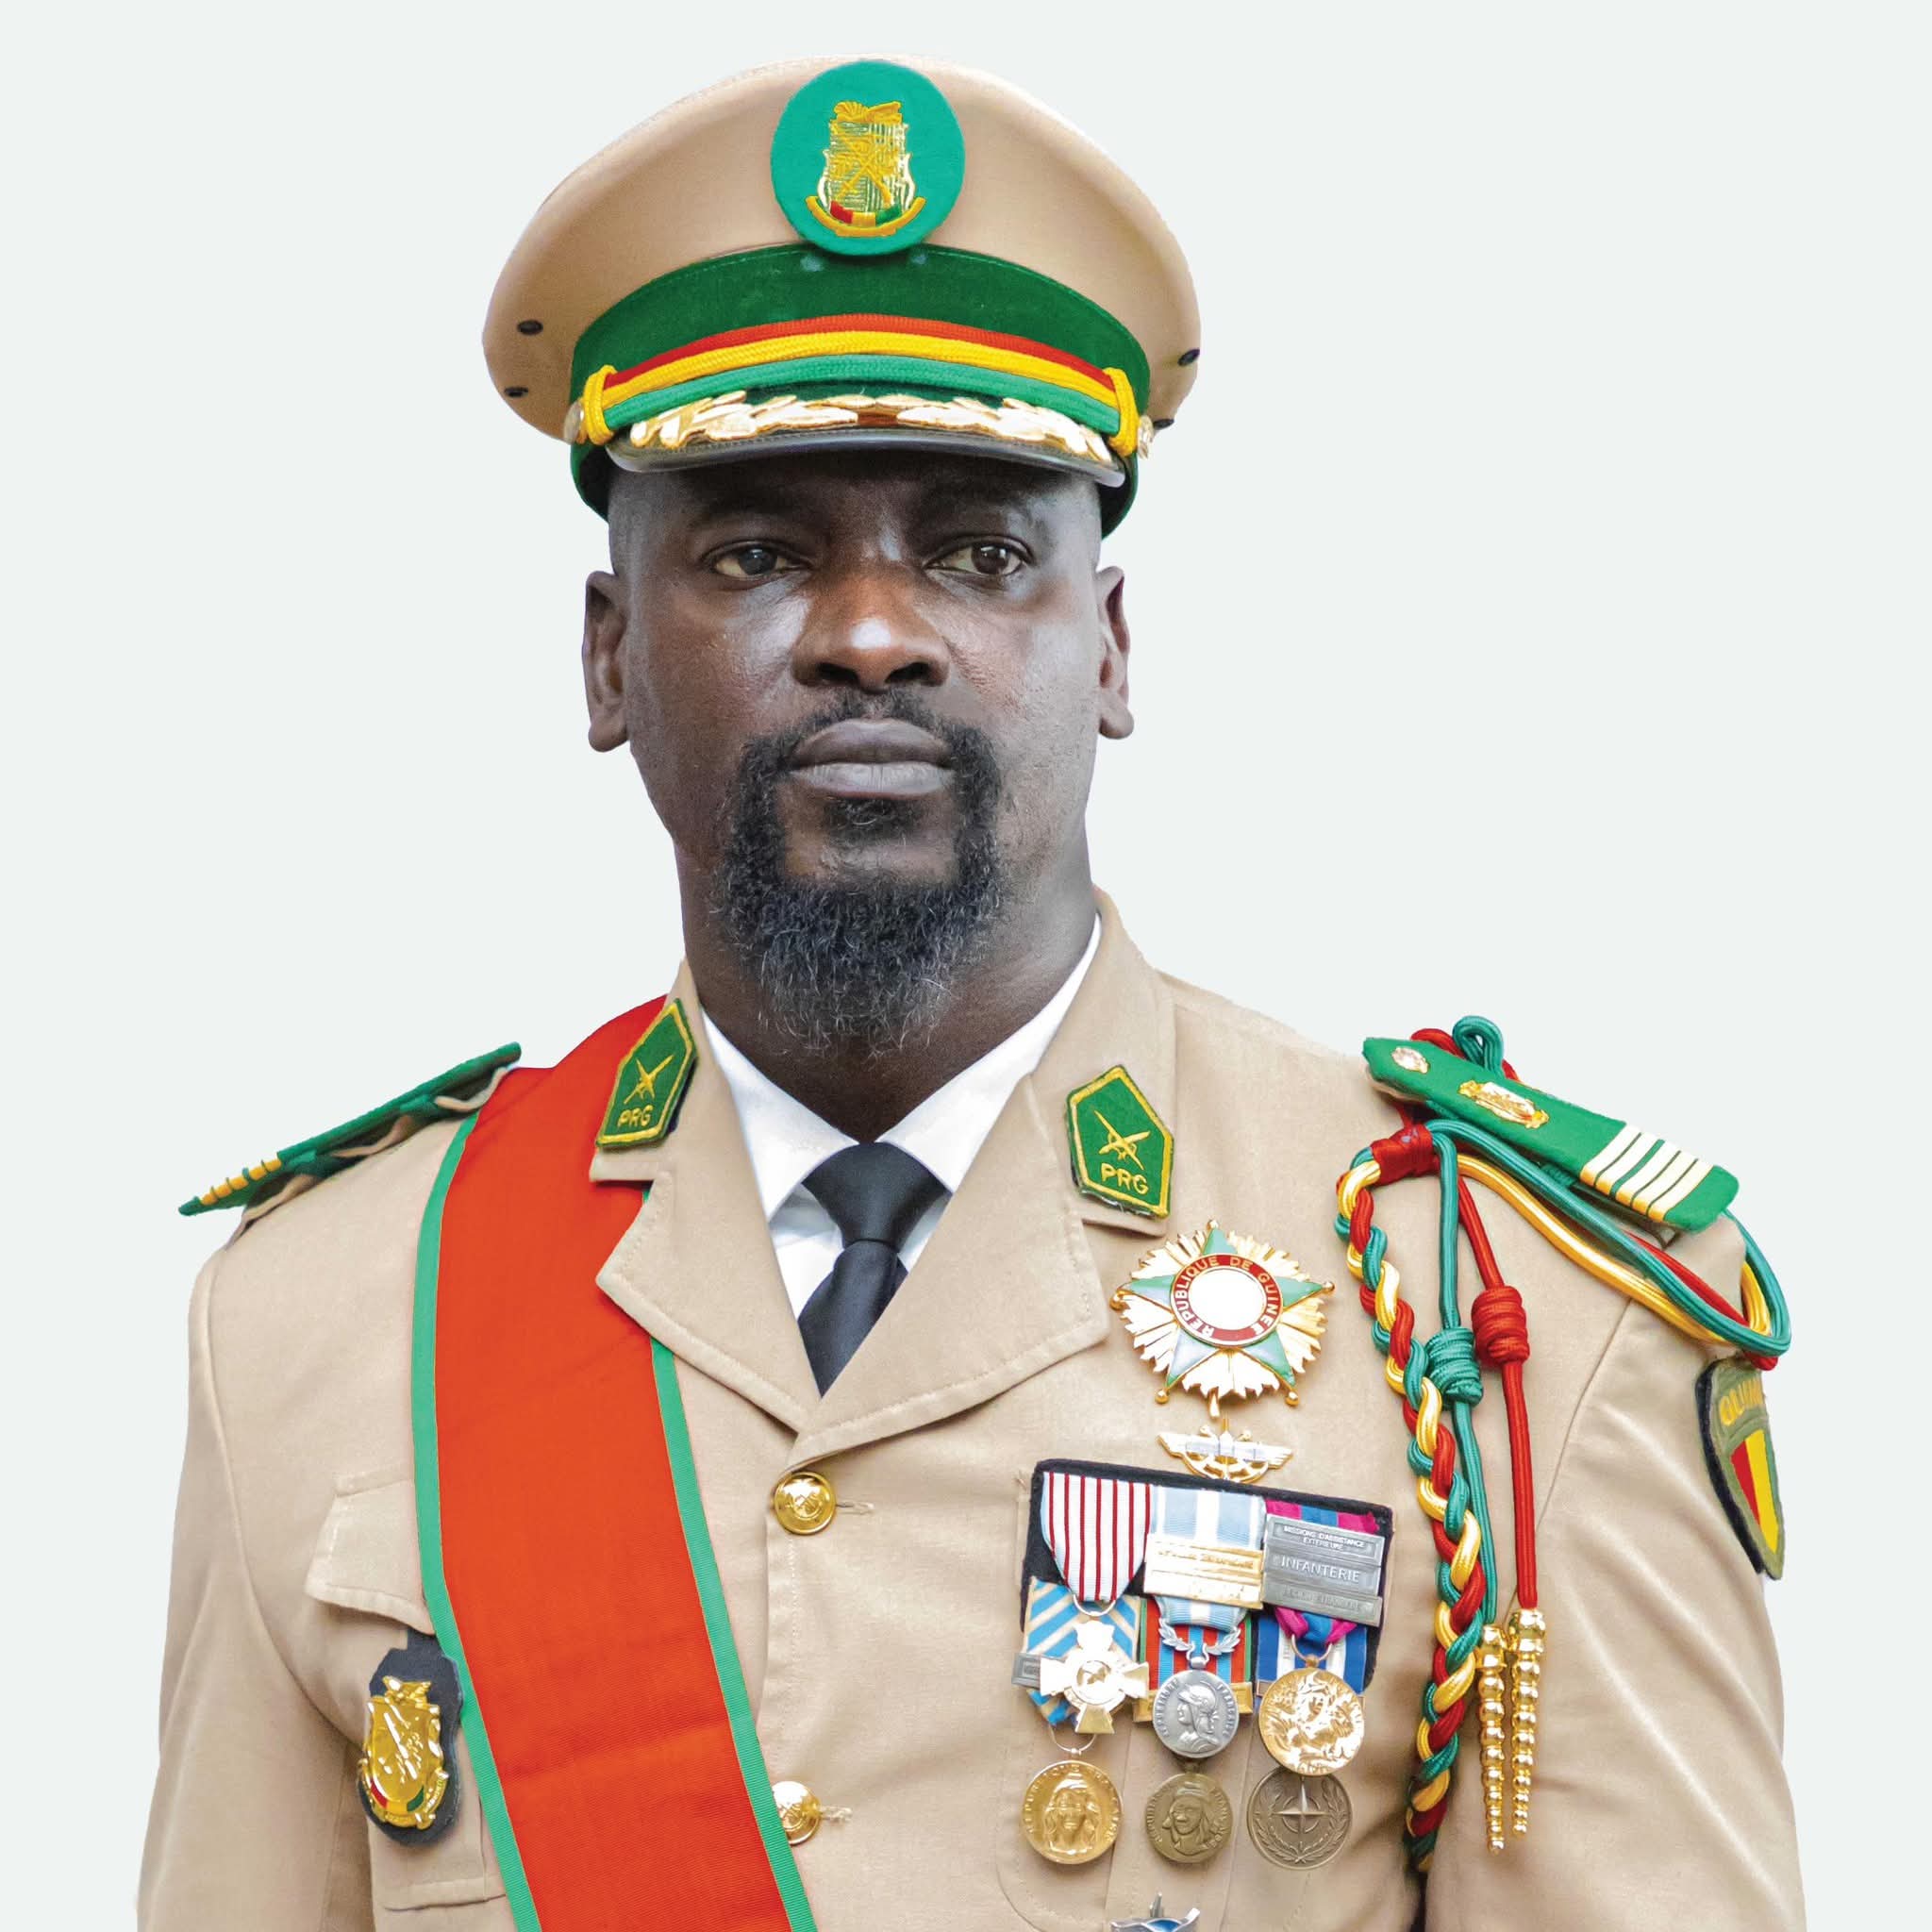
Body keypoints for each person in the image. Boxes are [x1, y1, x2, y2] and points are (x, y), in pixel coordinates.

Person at [140, 56, 1804, 1932]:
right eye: (758, 551)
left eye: (981, 551)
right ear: (607, 658)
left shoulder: (1501, 1313)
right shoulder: (326, 1313)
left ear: (1109, 647)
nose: (871, 633)